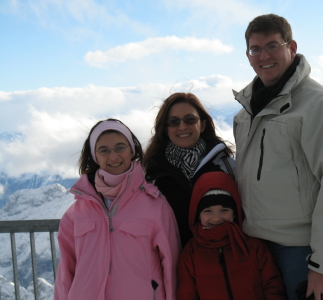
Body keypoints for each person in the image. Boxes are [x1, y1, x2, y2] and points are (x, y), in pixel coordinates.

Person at [232, 14, 323, 300]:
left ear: (291, 47)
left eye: (272, 46)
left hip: (301, 253)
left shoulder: (319, 106)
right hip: (256, 248)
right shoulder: (245, 114)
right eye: (256, 49)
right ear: (247, 55)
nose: (263, 56)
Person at [54, 118, 180, 300]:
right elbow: (66, 271)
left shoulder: (155, 204)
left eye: (120, 147)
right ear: (95, 156)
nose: (113, 156)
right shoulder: (76, 213)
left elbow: (171, 265)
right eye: (104, 150)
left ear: (132, 150)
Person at [143, 92, 235, 247]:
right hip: (174, 264)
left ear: (203, 125)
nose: (182, 126)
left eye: (190, 119)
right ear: (165, 129)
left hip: (223, 262)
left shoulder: (227, 167)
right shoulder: (152, 177)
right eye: (173, 122)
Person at [177, 171, 286, 300]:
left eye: (224, 210)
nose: (216, 218)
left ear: (235, 213)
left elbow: (272, 285)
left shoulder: (254, 246)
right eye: (208, 211)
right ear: (197, 214)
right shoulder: (190, 253)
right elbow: (186, 294)